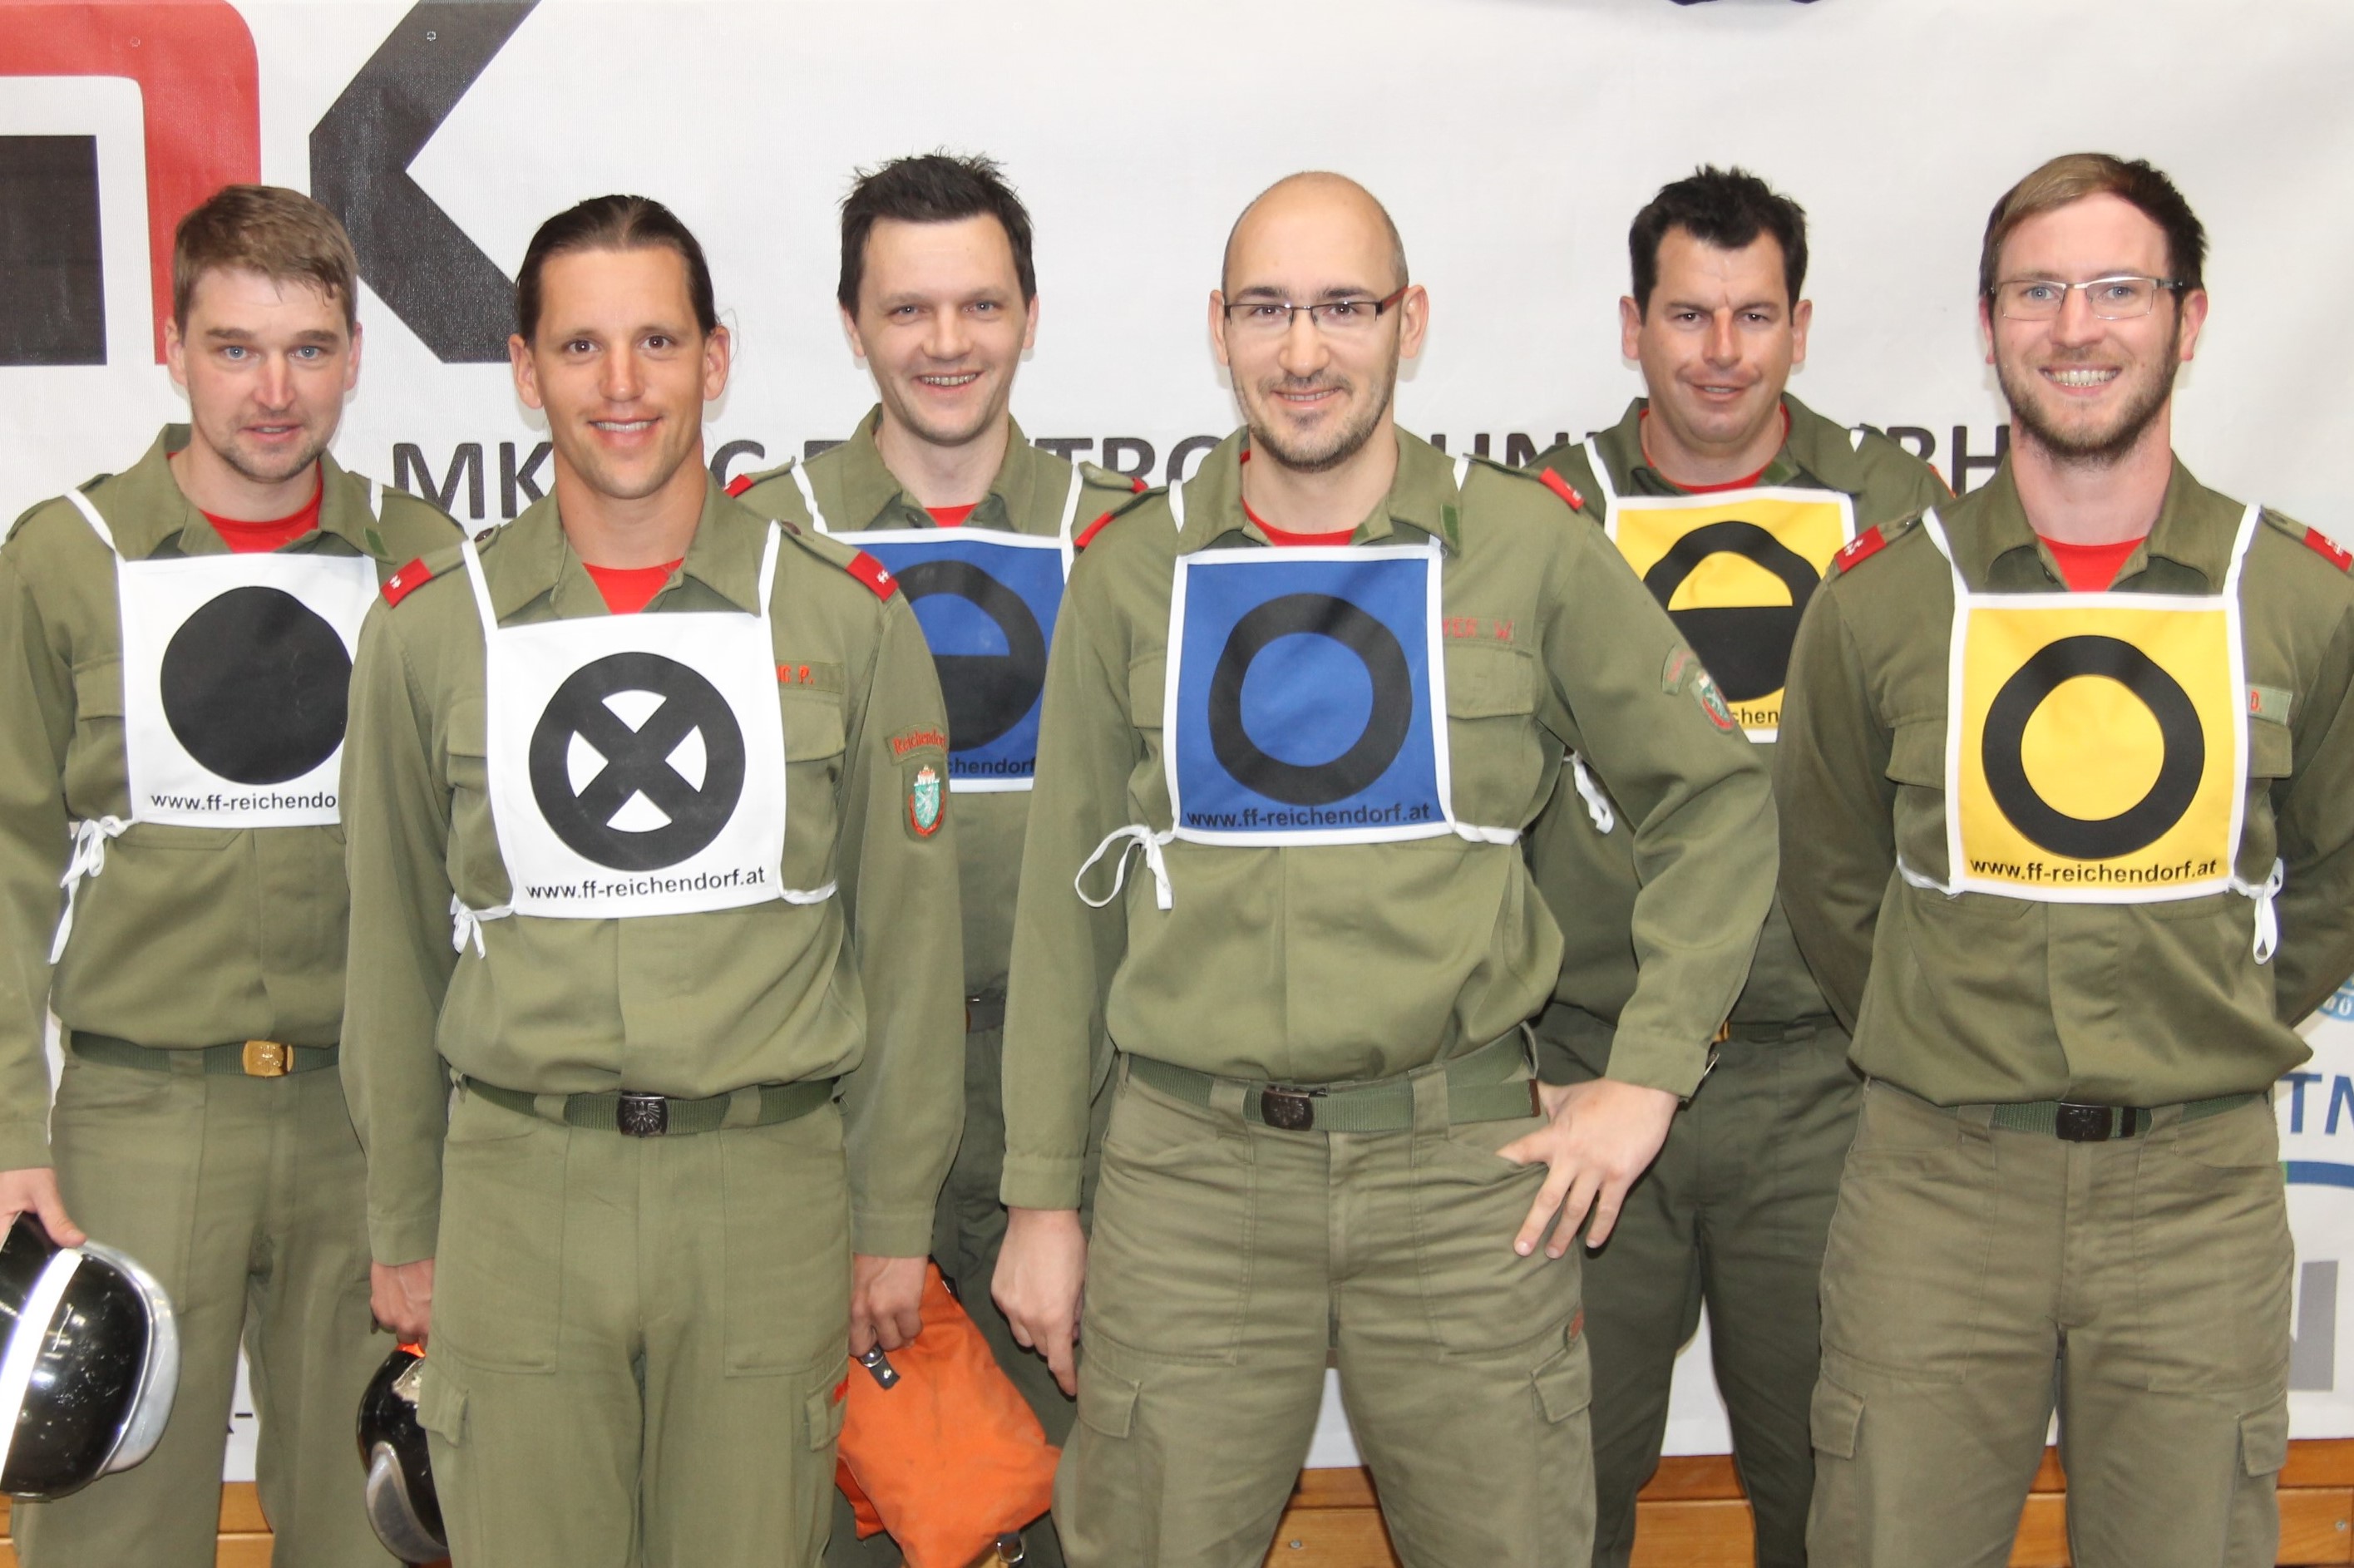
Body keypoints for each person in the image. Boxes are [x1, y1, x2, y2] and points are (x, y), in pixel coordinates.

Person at [989, 170, 1778, 1567]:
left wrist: (1649, 1074)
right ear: (1218, 328)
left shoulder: (1524, 547)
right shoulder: (1132, 573)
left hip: (1463, 1175)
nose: (1305, 351)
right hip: (1191, 1178)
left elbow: (1715, 798)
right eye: (1268, 310)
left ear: (1410, 322)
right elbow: (1068, 909)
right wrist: (1044, 1199)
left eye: (1344, 308)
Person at [340, 194, 964, 1568]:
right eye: (580, 346)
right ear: (524, 371)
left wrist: (891, 1216)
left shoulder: (844, 617)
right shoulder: (432, 632)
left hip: (765, 1186)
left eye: (658, 342)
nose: (621, 385)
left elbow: (907, 949)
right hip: (517, 1189)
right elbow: (390, 951)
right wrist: (403, 1216)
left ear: (716, 359)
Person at [1778, 152, 2354, 1568]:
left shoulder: (2298, 596)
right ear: (1988, 327)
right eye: (2036, 292)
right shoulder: (1883, 601)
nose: (2076, 327)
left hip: (2196, 1195)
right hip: (1936, 1186)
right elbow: (1833, 877)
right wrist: (1945, 1024)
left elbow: (2342, 874)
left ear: (2189, 318)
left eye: (2117, 289)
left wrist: (2213, 1013)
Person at [0, 184, 458, 1566]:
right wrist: (12, 1132)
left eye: (309, 349)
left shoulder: (423, 562)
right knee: (110, 1529)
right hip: (141, 1116)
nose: (274, 390)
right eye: (236, 348)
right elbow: (8, 861)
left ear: (355, 355)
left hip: (363, 1125)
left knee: (375, 1528)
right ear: (173, 347)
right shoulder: (64, 559)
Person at [1519, 166, 1947, 1568]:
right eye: (1687, 315)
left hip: (1817, 1082)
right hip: (1586, 1068)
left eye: (1754, 316)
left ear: (1801, 328)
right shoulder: (1545, 515)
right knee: (1552, 1488)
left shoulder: (1892, 508)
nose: (1721, 352)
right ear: (1630, 325)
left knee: (1834, 1490)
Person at [730, 153, 1135, 1568]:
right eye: (908, 309)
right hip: (835, 1098)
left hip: (1077, 1094)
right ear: (852, 324)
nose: (947, 342)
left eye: (981, 304)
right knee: (848, 1514)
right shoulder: (761, 542)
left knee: (1085, 1510)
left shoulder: (1125, 541)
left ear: (1031, 313)